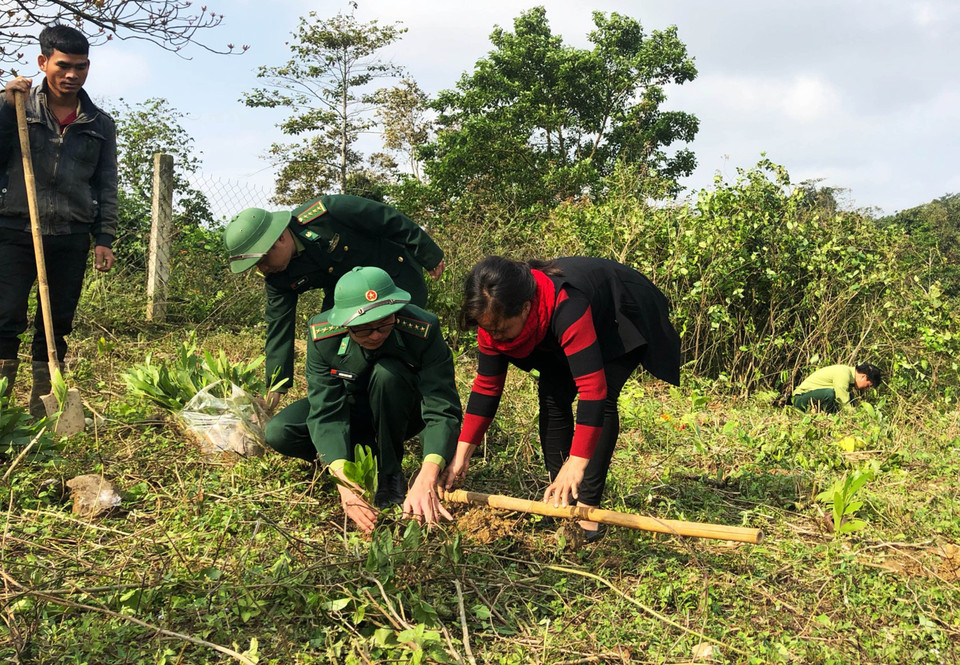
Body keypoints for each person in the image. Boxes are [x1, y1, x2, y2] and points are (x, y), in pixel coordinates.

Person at [439, 256, 681, 541]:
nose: (496, 337)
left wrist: (576, 462)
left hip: (617, 314)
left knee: (603, 401)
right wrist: (461, 455)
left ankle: (587, 509)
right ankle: (563, 498)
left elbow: (593, 389)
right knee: (553, 396)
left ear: (526, 308)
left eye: (502, 330)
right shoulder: (493, 321)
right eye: (489, 329)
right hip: (552, 326)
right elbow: (486, 388)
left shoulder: (567, 305)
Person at [265, 266, 461, 533]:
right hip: (352, 408)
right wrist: (344, 481)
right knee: (279, 431)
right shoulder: (322, 336)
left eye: (383, 325)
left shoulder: (422, 329)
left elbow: (441, 406)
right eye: (363, 330)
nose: (376, 335)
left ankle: (390, 474)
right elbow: (325, 412)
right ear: (344, 324)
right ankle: (351, 461)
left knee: (387, 374)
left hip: (403, 411)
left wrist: (428, 472)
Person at [223, 195, 444, 413]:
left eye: (261, 260)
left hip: (395, 278)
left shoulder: (326, 213)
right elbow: (279, 327)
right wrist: (275, 387)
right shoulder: (277, 275)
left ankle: (421, 407)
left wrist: (428, 252)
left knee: (400, 341)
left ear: (280, 239)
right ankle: (360, 410)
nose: (261, 269)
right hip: (345, 298)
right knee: (334, 344)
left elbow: (386, 217)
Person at [0, 25, 117, 415]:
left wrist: (105, 237)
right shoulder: (16, 108)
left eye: (81, 67)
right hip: (15, 228)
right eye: (63, 65)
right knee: (5, 316)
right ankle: (1, 407)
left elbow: (106, 184)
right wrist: (3, 103)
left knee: (57, 323)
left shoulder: (100, 124)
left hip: (71, 234)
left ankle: (43, 408)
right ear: (43, 62)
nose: (72, 75)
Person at [791, 363, 881, 413]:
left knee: (851, 397)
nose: (866, 388)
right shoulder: (844, 373)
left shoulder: (848, 376)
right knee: (829, 394)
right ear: (863, 377)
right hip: (799, 399)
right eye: (868, 385)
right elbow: (843, 402)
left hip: (810, 398)